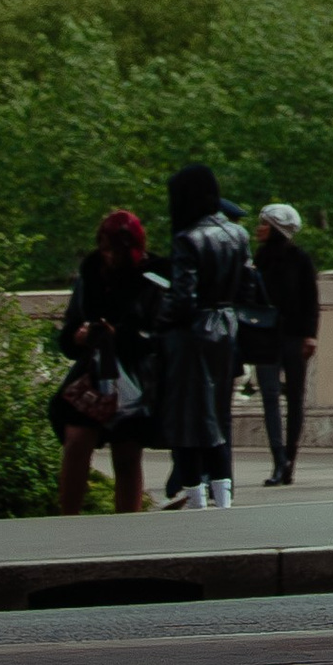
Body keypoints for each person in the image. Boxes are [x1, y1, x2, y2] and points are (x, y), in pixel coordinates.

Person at [51, 208, 166, 513]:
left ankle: (127, 528)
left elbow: (160, 333)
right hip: (94, 372)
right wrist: (79, 337)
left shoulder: (155, 277)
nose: (109, 257)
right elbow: (69, 329)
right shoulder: (90, 274)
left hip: (136, 377)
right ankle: (68, 518)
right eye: (104, 250)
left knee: (127, 453)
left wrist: (122, 335)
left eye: (115, 250)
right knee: (76, 441)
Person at [158, 163, 257, 512]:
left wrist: (161, 317)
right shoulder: (238, 235)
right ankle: (223, 493)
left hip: (195, 334)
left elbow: (184, 298)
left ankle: (195, 493)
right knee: (217, 416)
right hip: (227, 327)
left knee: (189, 418)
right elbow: (248, 288)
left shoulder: (187, 238)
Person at [247, 201, 320, 487]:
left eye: (264, 223)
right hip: (265, 336)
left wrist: (310, 335)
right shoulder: (260, 258)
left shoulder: (300, 259)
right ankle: (278, 458)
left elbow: (311, 300)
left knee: (296, 399)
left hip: (294, 336)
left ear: (276, 228)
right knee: (268, 397)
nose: (259, 228)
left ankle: (290, 457)